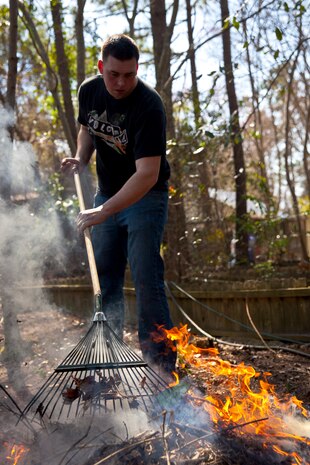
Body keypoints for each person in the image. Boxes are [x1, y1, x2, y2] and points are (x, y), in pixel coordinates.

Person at [61, 34, 176, 375]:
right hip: (107, 195)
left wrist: (104, 210)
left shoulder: (149, 106)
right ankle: (109, 364)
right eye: (114, 74)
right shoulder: (89, 91)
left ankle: (161, 368)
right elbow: (87, 130)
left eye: (129, 74)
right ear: (101, 67)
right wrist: (82, 158)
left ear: (137, 69)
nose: (121, 82)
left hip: (145, 197)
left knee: (145, 275)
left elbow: (147, 174)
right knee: (106, 278)